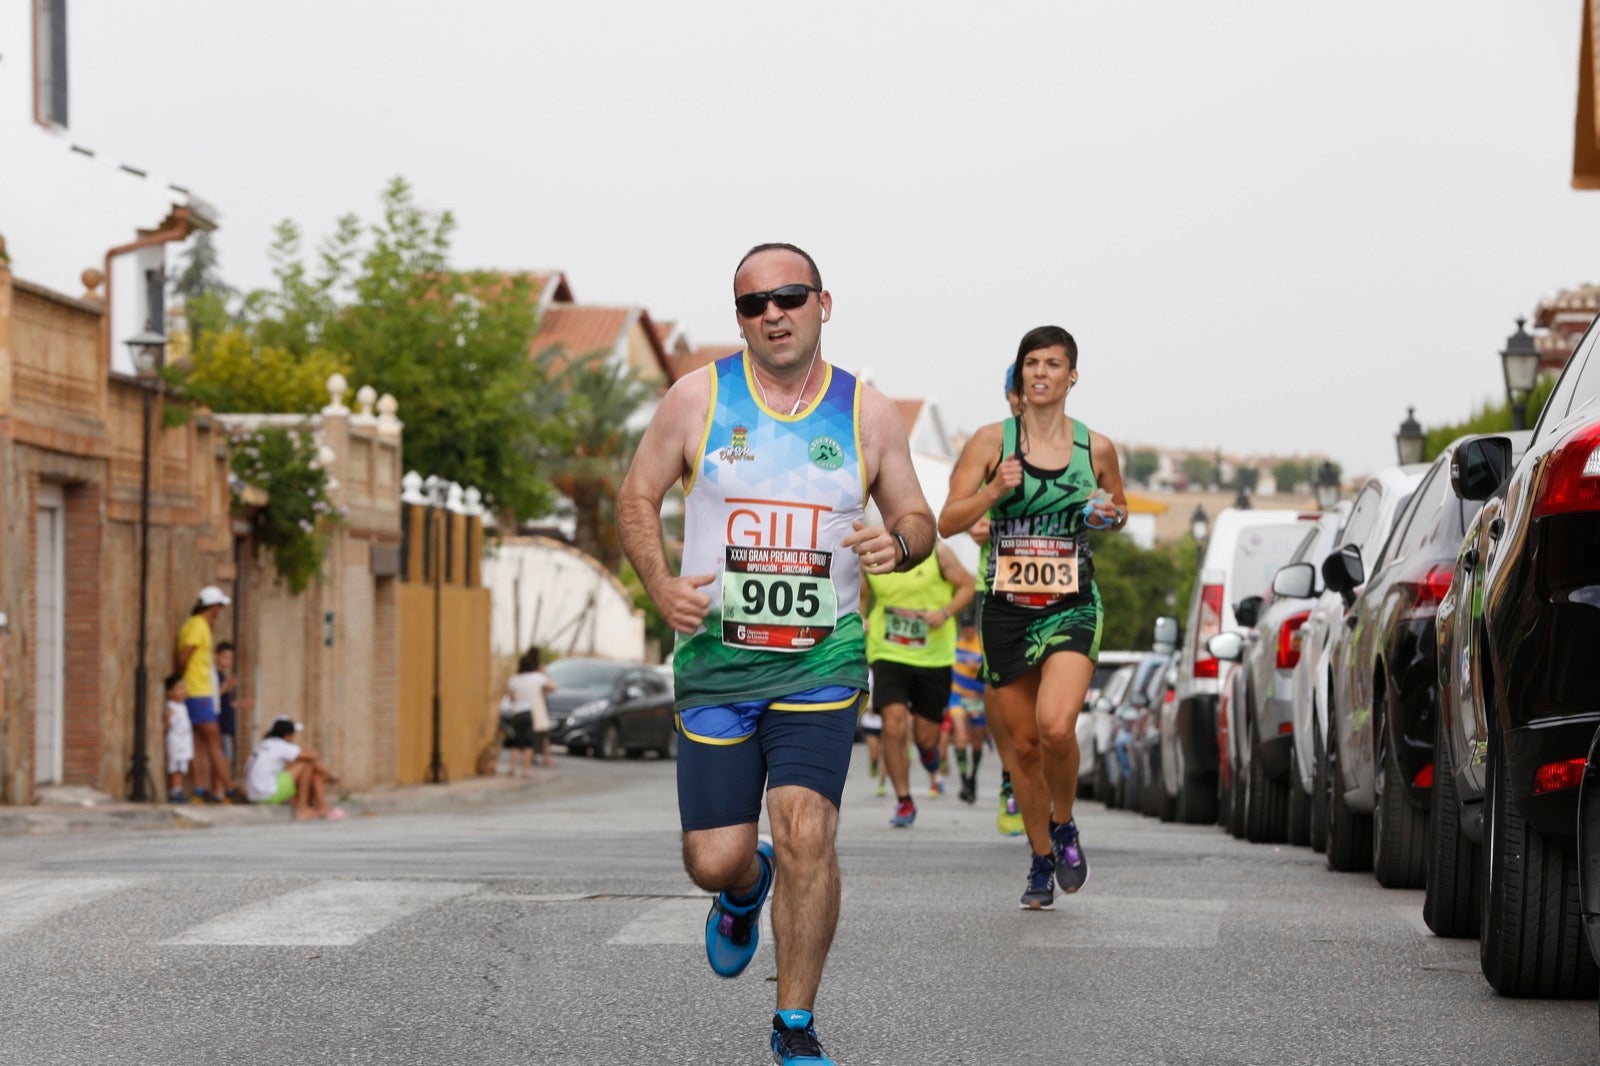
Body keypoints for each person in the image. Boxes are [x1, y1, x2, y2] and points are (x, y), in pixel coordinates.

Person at [617, 242, 935, 1066]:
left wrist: (898, 544)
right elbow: (638, 495)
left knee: (806, 829)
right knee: (713, 858)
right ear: (740, 319)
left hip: (821, 661)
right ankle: (743, 887)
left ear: (822, 304)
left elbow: (916, 517)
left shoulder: (867, 412)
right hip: (716, 664)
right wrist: (660, 585)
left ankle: (794, 1023)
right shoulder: (697, 398)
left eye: (789, 296)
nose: (773, 314)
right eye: (753, 304)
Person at [939, 325, 1128, 910]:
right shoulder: (990, 442)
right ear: (1020, 375)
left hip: (1072, 605)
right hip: (1006, 612)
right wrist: (993, 490)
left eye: (1053, 363)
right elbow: (947, 519)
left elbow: (1118, 509)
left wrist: (1107, 514)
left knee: (1055, 728)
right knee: (1022, 747)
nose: (1041, 373)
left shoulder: (1095, 449)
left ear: (1073, 376)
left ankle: (1063, 821)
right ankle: (1042, 858)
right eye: (1032, 363)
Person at [864, 539, 974, 827]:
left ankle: (928, 752)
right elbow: (860, 593)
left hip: (933, 658)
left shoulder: (938, 552)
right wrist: (860, 617)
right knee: (892, 725)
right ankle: (904, 800)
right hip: (887, 652)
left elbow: (968, 585)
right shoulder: (875, 554)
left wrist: (944, 612)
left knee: (926, 737)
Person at [175, 585, 243, 803]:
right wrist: (180, 678)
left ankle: (200, 789)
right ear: (212, 606)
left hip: (198, 691)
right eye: (219, 606)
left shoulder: (196, 624)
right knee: (214, 741)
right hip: (199, 691)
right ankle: (228, 788)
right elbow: (185, 655)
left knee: (199, 742)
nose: (220, 611)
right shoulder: (198, 625)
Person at [243, 716, 344, 821]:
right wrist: (328, 774)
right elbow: (313, 756)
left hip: (253, 795)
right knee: (306, 764)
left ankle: (321, 806)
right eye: (293, 735)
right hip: (267, 794)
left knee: (310, 770)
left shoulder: (264, 744)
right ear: (287, 736)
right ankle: (303, 809)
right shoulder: (281, 746)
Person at [947, 609, 988, 804]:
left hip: (978, 697)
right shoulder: (954, 644)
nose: (968, 630)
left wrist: (978, 667)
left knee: (977, 743)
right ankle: (964, 781)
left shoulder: (983, 645)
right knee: (961, 737)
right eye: (964, 627)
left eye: (970, 626)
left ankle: (973, 777)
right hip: (957, 695)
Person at [505, 647, 557, 773]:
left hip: (516, 713)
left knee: (515, 742)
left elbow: (511, 698)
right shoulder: (537, 677)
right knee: (528, 743)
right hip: (530, 712)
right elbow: (553, 687)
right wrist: (543, 676)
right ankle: (525, 771)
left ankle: (512, 768)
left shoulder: (513, 679)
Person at [215, 640, 251, 775]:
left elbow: (225, 702)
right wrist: (227, 686)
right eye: (226, 657)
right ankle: (222, 785)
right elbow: (213, 696)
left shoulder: (223, 676)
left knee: (228, 755)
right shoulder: (214, 676)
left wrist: (240, 704)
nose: (229, 661)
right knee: (225, 756)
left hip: (227, 722)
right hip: (220, 723)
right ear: (217, 656)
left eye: (231, 658)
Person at [164, 673, 193, 804]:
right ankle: (175, 791)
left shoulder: (182, 706)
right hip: (176, 741)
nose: (183, 691)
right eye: (179, 688)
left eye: (183, 688)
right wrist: (168, 720)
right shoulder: (171, 706)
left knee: (181, 767)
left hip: (184, 742)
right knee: (176, 766)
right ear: (170, 692)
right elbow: (167, 724)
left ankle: (179, 789)